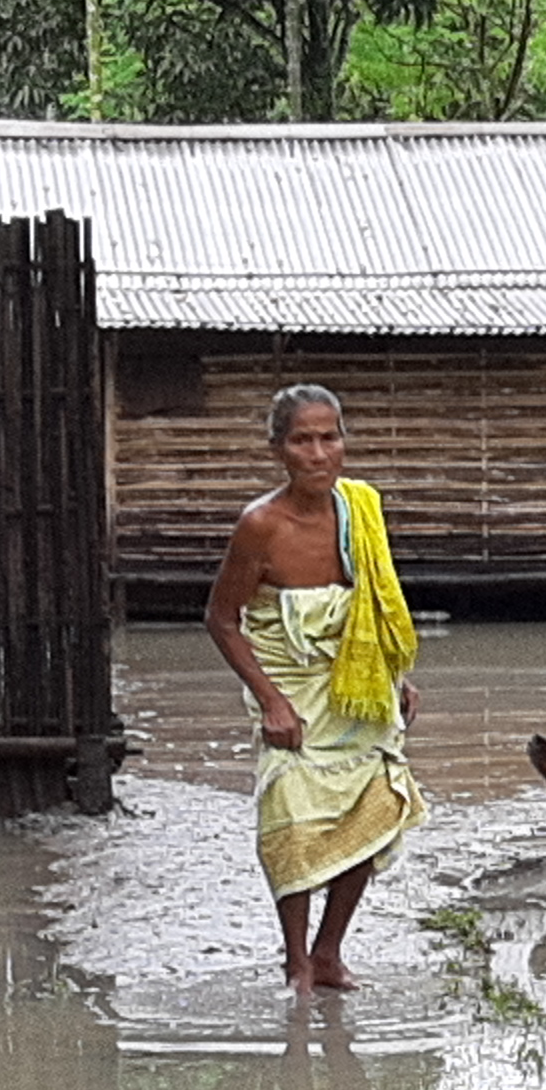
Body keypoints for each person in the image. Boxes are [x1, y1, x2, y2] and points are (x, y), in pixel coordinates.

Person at [203, 382, 425, 987]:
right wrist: (272, 701)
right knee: (293, 822)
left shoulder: (361, 511)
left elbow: (373, 608)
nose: (320, 453)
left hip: (359, 690)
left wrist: (396, 677)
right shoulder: (260, 527)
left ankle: (329, 953)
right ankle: (296, 960)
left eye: (331, 437)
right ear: (279, 449)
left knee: (372, 811)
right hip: (292, 690)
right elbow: (221, 619)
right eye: (303, 440)